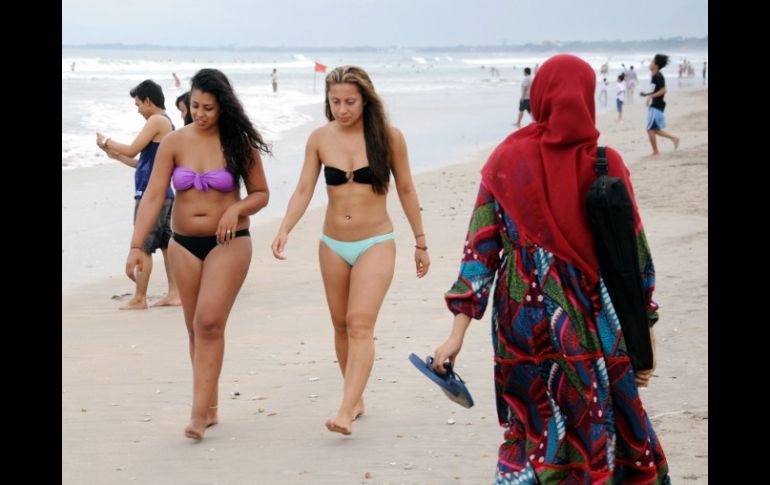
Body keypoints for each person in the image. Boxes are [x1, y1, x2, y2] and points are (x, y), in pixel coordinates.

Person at [431, 54, 669, 484]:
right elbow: (635, 257)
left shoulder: (505, 161)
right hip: (592, 320)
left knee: (532, 428)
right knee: (598, 422)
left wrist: (456, 334)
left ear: (539, 96)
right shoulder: (606, 162)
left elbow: (479, 255)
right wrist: (644, 326)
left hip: (520, 321)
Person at [271, 65, 430, 436]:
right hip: (332, 244)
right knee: (340, 325)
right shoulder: (319, 139)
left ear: (365, 100)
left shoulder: (388, 138)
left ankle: (344, 409)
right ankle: (355, 398)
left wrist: (420, 241)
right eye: (335, 101)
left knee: (360, 323)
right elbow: (303, 189)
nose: (342, 109)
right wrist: (284, 229)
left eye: (350, 102)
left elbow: (406, 189)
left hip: (376, 242)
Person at [125, 68, 270, 440]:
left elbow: (260, 193)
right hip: (183, 243)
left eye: (209, 107)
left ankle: (197, 414)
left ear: (223, 107)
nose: (201, 113)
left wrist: (236, 209)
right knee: (194, 328)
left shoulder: (238, 142)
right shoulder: (175, 142)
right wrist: (137, 246)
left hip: (230, 241)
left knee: (209, 323)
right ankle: (211, 405)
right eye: (196, 106)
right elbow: (155, 195)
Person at [96, 80, 180, 309]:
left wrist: (106, 140)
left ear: (148, 101)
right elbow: (140, 162)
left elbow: (133, 148)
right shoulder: (166, 123)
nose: (138, 110)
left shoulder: (157, 120)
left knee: (143, 246)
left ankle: (140, 298)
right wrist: (115, 155)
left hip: (151, 196)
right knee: (165, 244)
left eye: (138, 104)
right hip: (164, 193)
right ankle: (174, 294)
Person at [640, 54, 680, 157]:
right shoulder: (655, 76)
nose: (650, 64)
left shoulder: (657, 76)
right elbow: (656, 90)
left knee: (650, 129)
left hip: (656, 106)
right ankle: (674, 139)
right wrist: (646, 94)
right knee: (654, 130)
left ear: (656, 65)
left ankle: (656, 152)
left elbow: (664, 90)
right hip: (656, 105)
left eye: (652, 62)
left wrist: (650, 97)